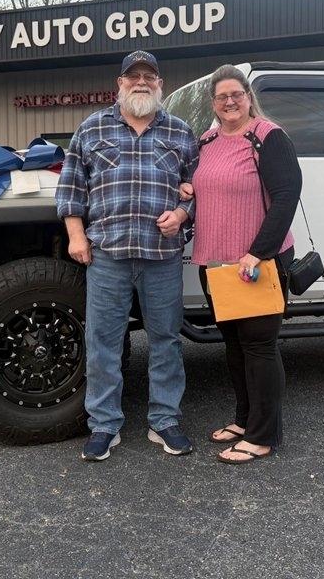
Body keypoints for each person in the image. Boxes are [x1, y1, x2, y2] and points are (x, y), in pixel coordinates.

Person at [56, 50, 199, 462]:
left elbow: (198, 187)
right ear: (119, 84)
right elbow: (71, 188)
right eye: (132, 76)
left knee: (166, 340)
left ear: (160, 85)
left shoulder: (180, 132)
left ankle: (164, 420)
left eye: (149, 76)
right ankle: (104, 425)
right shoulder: (92, 128)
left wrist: (183, 213)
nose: (141, 82)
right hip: (107, 256)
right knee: (102, 341)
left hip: (162, 256)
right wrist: (76, 237)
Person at [188, 64, 301, 464]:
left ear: (249, 97)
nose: (230, 102)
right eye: (222, 97)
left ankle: (263, 435)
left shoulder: (268, 136)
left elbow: (287, 195)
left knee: (259, 347)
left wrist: (258, 252)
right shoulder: (206, 141)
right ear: (213, 103)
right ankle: (244, 420)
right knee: (235, 347)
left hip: (255, 263)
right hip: (216, 264)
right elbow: (201, 189)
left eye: (236, 94)